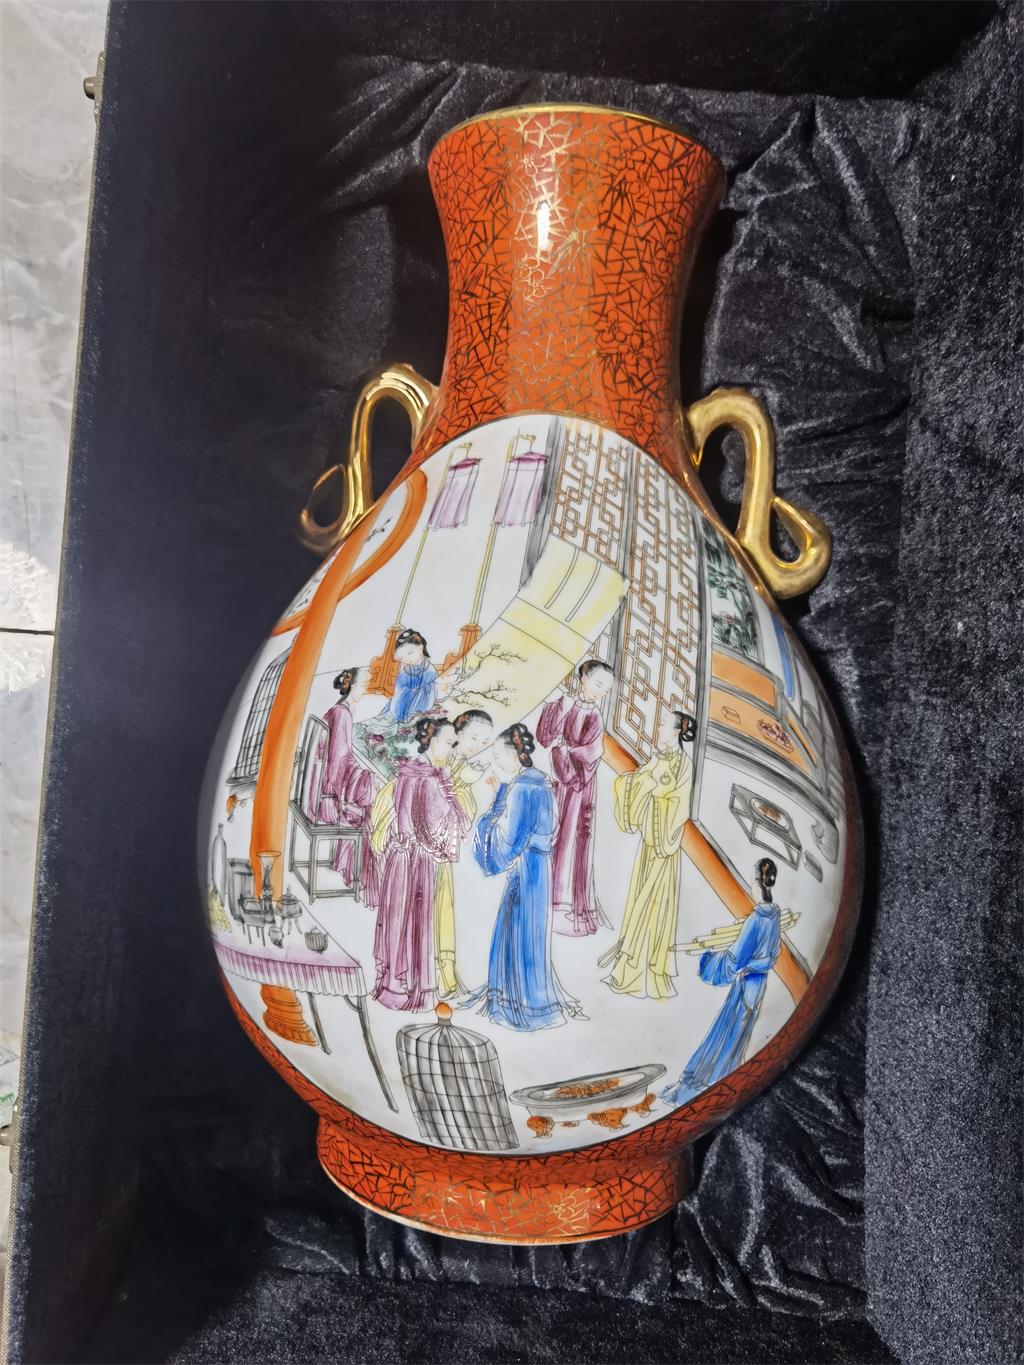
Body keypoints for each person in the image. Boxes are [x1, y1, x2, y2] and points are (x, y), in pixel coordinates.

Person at [467, 723, 578, 1031]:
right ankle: (529, 1000)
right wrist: (500, 794)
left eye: (498, 756)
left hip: (527, 868)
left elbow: (510, 842)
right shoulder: (539, 783)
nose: (496, 762)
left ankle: (522, 1006)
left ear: (514, 753)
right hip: (539, 867)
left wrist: (487, 823)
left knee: (519, 931)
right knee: (528, 934)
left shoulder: (524, 788)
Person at [661, 858, 783, 1107]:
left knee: (725, 1034)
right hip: (759, 984)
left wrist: (709, 961)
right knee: (738, 1037)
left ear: (757, 883)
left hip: (745, 983)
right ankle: (724, 1081)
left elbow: (734, 960)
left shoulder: (756, 919)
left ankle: (705, 1083)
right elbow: (774, 953)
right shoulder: (775, 915)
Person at [369, 716, 468, 1011]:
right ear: (431, 739)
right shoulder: (430, 779)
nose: (450, 749)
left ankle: (393, 985)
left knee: (400, 921)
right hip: (418, 859)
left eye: (453, 744)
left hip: (401, 860)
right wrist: (451, 791)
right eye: (448, 743)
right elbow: (444, 824)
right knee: (414, 923)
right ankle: (412, 990)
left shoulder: (409, 771)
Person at [600, 711, 696, 999]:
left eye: (665, 724)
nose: (660, 727)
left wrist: (657, 788)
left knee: (655, 908)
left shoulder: (684, 765)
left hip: (665, 848)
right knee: (637, 903)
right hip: (648, 844)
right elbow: (637, 781)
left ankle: (652, 978)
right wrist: (637, 784)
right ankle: (627, 974)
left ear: (677, 731)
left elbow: (680, 805)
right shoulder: (657, 758)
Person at [536, 659, 614, 937]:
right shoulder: (566, 703)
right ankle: (544, 892)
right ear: (584, 679)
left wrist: (566, 755)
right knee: (550, 829)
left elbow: (593, 752)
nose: (601, 692)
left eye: (606, 689)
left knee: (571, 836)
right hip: (557, 777)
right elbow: (545, 736)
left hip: (579, 785)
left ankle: (565, 902)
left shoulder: (596, 716)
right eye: (598, 684)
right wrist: (560, 708)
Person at [434, 710, 494, 1000]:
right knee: (433, 907)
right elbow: (434, 798)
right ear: (457, 731)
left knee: (444, 908)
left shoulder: (460, 763)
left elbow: (466, 812)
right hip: (427, 846)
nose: (477, 745)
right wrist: (460, 780)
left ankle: (445, 974)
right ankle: (435, 976)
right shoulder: (441, 757)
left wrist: (465, 781)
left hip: (444, 848)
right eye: (473, 737)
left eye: (483, 742)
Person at [314, 666, 381, 905]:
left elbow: (340, 757)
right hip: (327, 797)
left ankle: (344, 864)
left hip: (326, 788)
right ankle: (353, 873)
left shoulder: (338, 710)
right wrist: (364, 777)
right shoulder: (342, 714)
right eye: (363, 685)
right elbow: (338, 761)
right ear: (351, 686)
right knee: (370, 809)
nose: (365, 690)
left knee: (367, 792)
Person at [379, 629, 438, 723]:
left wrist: (419, 690)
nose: (406, 659)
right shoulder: (405, 672)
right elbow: (399, 695)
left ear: (420, 648)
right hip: (401, 706)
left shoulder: (430, 670)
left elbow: (432, 692)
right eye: (402, 657)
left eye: (409, 653)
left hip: (421, 705)